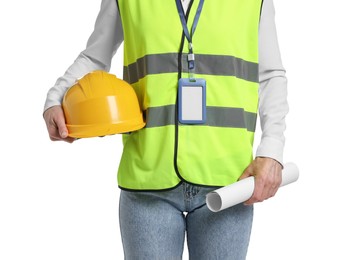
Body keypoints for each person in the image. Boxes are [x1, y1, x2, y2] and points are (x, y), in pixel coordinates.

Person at [43, 0, 288, 259]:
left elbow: (270, 74)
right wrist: (56, 98)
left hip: (228, 181)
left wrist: (272, 150)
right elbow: (95, 56)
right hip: (148, 178)